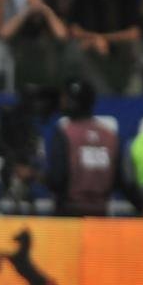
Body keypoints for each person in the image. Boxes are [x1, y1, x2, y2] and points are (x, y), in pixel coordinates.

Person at [45, 78, 122, 216]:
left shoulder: (65, 133)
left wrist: (36, 176)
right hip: (100, 214)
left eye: (65, 98)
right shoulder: (109, 136)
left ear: (71, 102)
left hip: (69, 215)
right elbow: (119, 179)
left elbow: (57, 179)